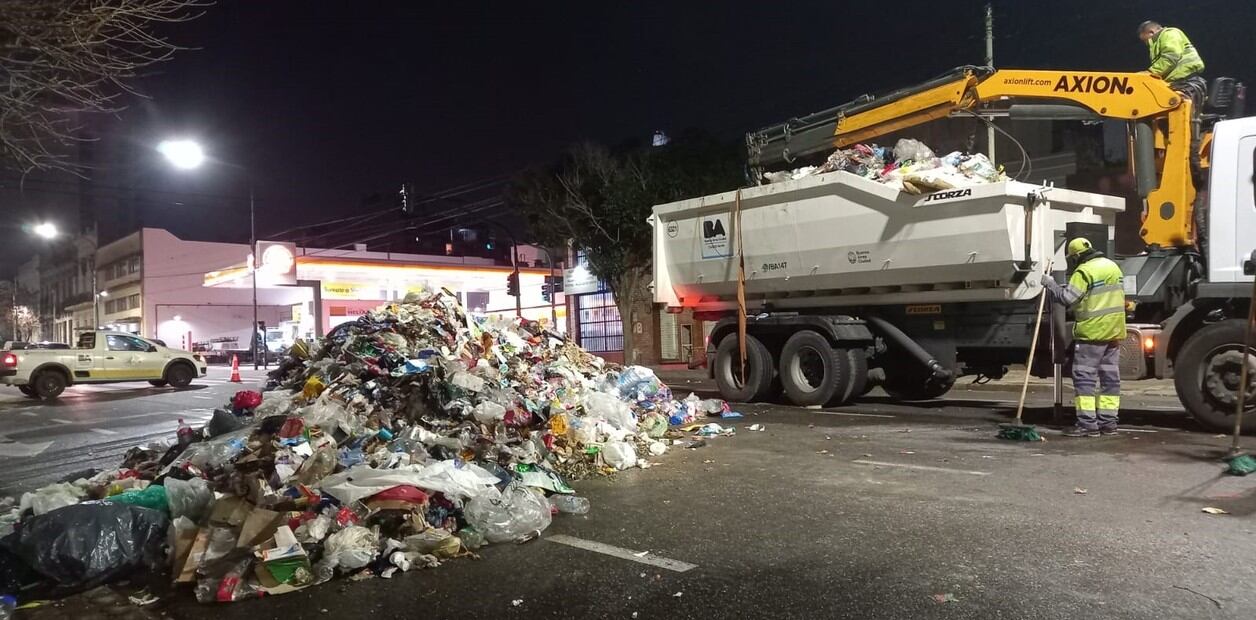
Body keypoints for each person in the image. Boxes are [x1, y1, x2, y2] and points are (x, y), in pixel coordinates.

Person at [1042, 238, 1127, 437]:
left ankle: (1087, 425)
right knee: (1110, 380)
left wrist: (1051, 285)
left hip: (1092, 333)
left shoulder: (1084, 272)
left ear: (1076, 256)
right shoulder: (1112, 266)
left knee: (1085, 379)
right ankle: (1109, 424)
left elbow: (1067, 299)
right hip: (1114, 332)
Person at [1138, 20, 1206, 107]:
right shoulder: (1160, 41)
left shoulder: (1169, 34)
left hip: (1186, 82)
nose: (1146, 43)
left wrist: (1150, 73)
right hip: (1179, 83)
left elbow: (1170, 56)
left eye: (1146, 40)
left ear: (1151, 32)